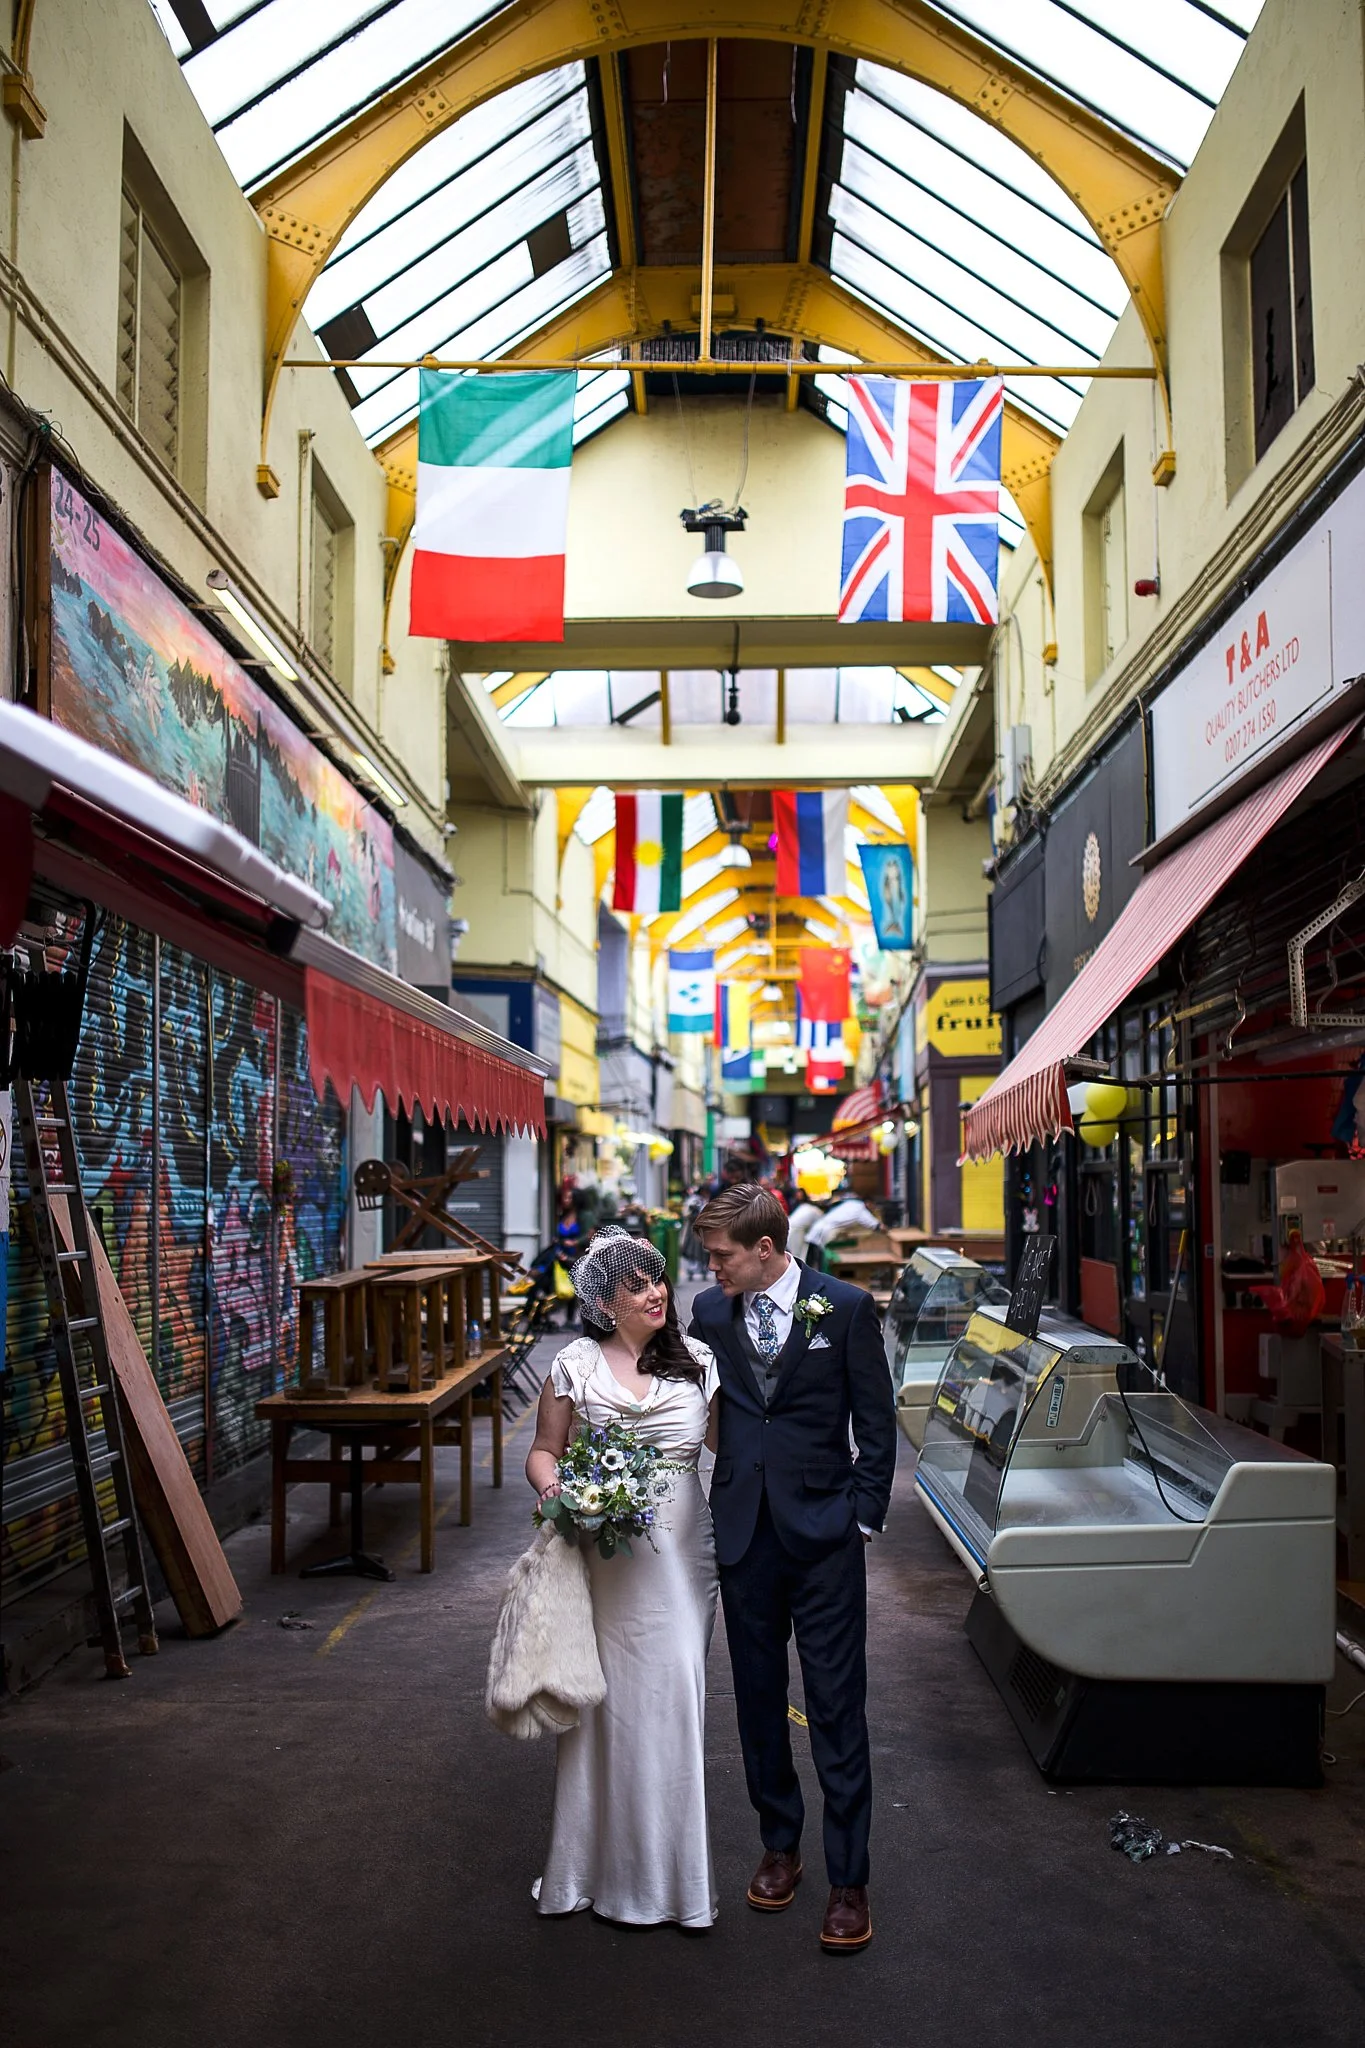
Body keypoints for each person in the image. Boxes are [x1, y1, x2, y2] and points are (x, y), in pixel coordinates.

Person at [689, 1184, 896, 1953]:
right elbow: (694, 1403)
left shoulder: (842, 1307)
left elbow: (874, 1421)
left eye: (721, 1257)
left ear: (766, 1251)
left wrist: (863, 1515)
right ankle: (780, 1845)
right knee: (756, 1700)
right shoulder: (711, 1314)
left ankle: (848, 1879)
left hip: (825, 1533)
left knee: (838, 1705)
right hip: (744, 1531)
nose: (710, 1270)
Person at [525, 1227, 721, 1928]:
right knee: (602, 1706)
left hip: (681, 1559)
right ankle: (588, 1871)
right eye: (637, 1285)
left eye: (657, 1279)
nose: (656, 1292)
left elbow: (733, 1449)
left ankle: (674, 1882)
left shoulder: (699, 1360)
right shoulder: (574, 1363)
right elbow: (545, 1452)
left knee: (673, 1697)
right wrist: (560, 1496)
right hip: (604, 1559)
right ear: (606, 1302)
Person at [804, 1191, 880, 1270]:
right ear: (868, 1203)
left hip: (820, 1226)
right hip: (826, 1230)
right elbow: (875, 1225)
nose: (873, 1208)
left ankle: (810, 1273)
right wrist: (885, 1229)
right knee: (818, 1257)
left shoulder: (853, 1203)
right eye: (873, 1205)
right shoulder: (861, 1210)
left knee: (812, 1256)